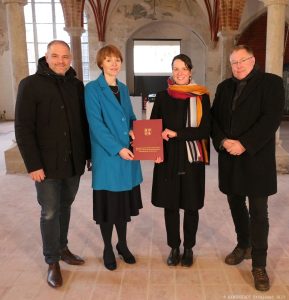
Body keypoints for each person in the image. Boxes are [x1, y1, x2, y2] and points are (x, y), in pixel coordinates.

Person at [15, 40, 91, 288]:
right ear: (46, 57)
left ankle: (63, 248)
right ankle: (52, 261)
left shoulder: (77, 86)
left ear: (70, 58)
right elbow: (23, 129)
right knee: (49, 211)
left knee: (65, 206)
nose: (61, 61)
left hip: (73, 162)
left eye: (65, 56)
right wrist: (33, 164)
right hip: (45, 166)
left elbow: (84, 124)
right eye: (55, 56)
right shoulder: (30, 85)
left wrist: (88, 154)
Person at [211, 45, 284, 291]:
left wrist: (244, 144)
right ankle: (244, 245)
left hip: (255, 158)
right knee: (235, 203)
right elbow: (214, 120)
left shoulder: (270, 83)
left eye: (242, 61)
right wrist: (222, 141)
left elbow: (271, 119)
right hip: (229, 157)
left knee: (259, 212)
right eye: (234, 62)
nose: (238, 66)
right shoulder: (223, 87)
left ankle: (259, 266)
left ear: (253, 60)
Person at [84, 44, 143, 271]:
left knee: (123, 207)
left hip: (128, 155)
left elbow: (130, 116)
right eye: (109, 60)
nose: (114, 63)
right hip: (109, 157)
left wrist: (133, 130)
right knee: (108, 207)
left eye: (117, 59)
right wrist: (118, 148)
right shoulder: (92, 89)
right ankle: (108, 247)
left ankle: (123, 244)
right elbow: (96, 125)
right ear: (101, 63)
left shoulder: (124, 88)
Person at [150, 54, 210, 267]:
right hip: (168, 158)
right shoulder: (162, 96)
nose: (180, 73)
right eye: (176, 69)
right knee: (171, 205)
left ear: (190, 70)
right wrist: (155, 143)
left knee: (191, 205)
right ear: (172, 72)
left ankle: (189, 248)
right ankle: (174, 247)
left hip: (192, 159)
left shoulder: (201, 96)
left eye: (183, 68)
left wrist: (176, 134)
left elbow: (205, 130)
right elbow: (153, 126)